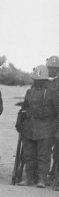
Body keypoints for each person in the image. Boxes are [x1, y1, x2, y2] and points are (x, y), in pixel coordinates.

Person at [15, 65, 58, 187]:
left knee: (43, 155)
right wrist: (19, 121)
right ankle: (29, 178)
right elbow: (24, 108)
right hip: (29, 128)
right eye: (35, 80)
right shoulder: (29, 92)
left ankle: (42, 179)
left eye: (40, 81)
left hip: (46, 128)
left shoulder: (53, 93)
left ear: (45, 81)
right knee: (29, 154)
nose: (37, 83)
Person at [46, 56, 59, 184]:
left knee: (57, 148)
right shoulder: (42, 80)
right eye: (50, 68)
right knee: (44, 147)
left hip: (57, 119)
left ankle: (55, 171)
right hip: (46, 120)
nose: (52, 71)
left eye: (55, 68)